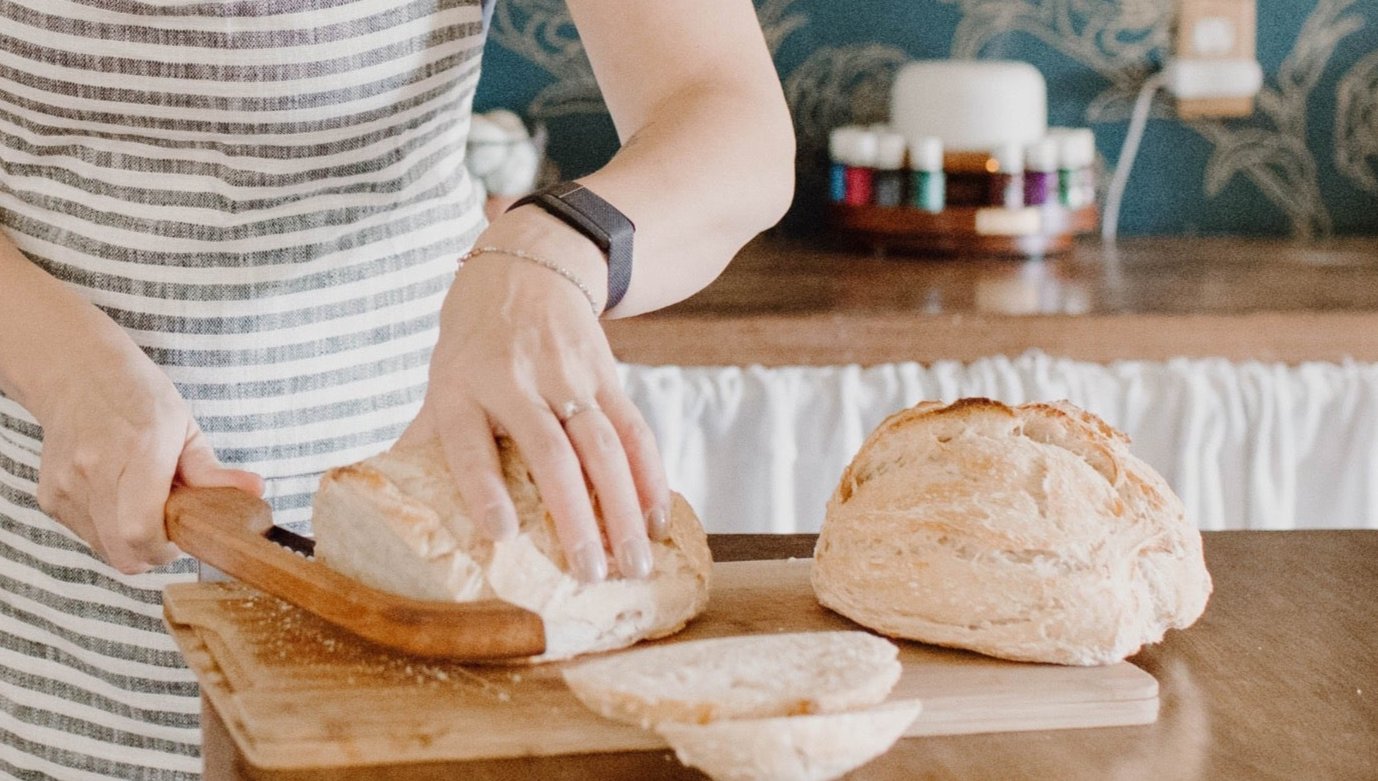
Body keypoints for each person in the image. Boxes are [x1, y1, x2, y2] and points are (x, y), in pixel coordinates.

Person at [0, 0, 794, 775]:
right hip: (40, 557)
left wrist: (554, 245)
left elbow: (730, 121)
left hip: (429, 518)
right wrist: (61, 366)